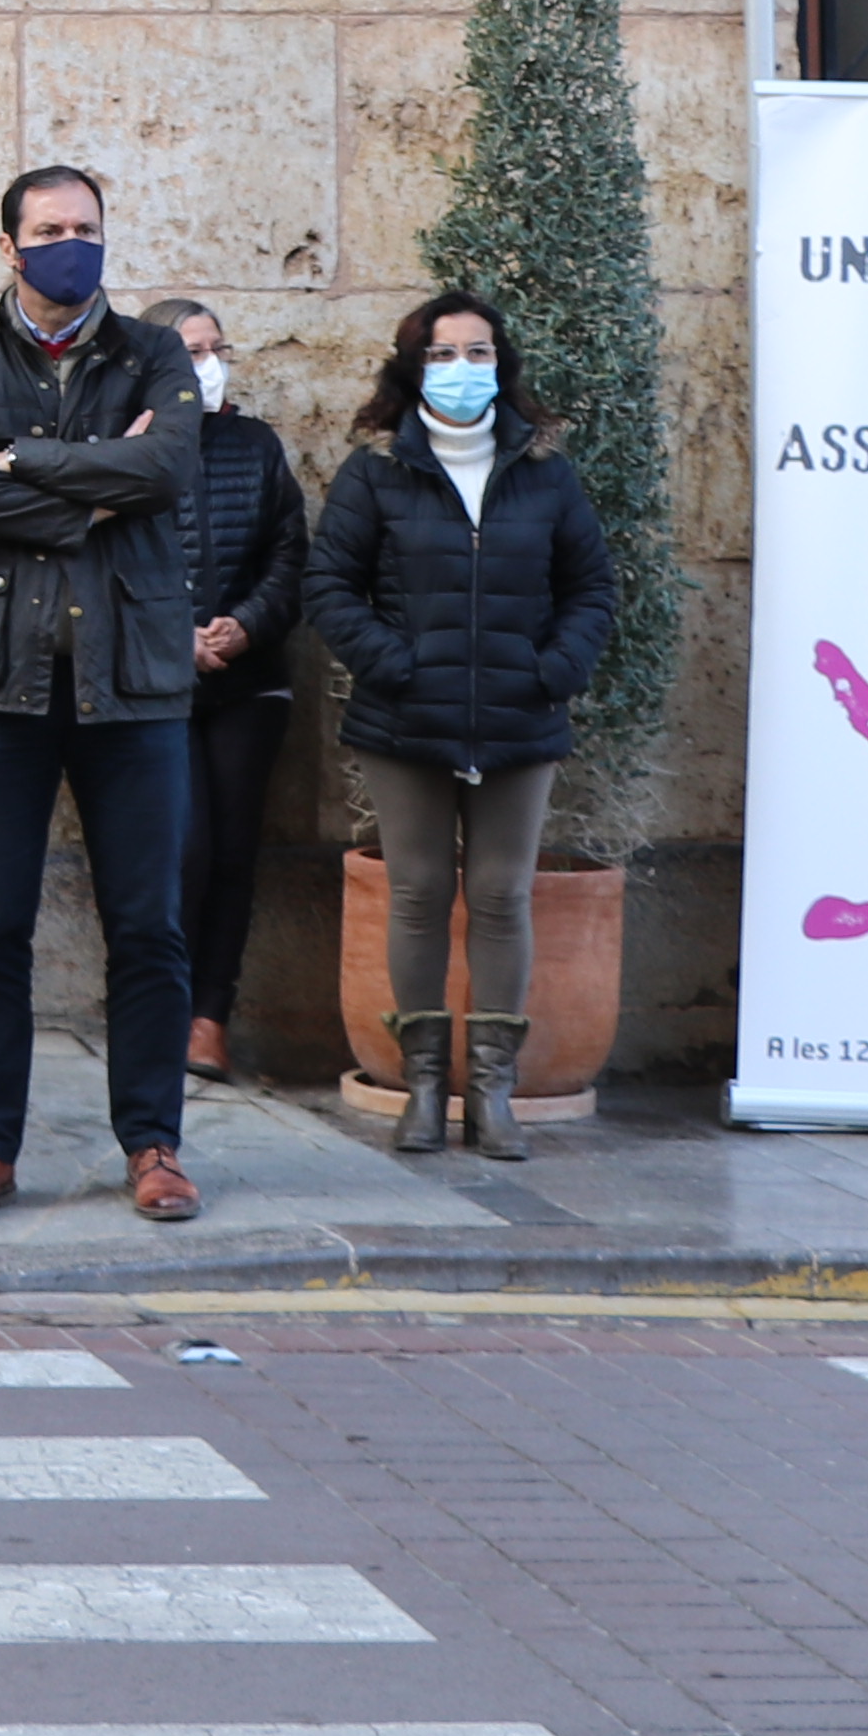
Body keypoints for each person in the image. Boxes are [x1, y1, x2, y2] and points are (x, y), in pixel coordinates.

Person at [0, 165, 204, 1231]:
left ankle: (154, 1145)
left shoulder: (155, 352)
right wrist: (93, 496)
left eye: (86, 226)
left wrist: (22, 460)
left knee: (149, 926)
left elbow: (166, 470)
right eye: (49, 228)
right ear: (9, 246)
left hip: (134, 679)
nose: (70, 243)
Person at [310, 289, 617, 1163]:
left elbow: (591, 587)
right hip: (404, 719)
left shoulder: (545, 473)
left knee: (501, 895)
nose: (461, 370)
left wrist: (553, 670)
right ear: (413, 369)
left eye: (478, 353)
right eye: (442, 355)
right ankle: (421, 1089)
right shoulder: (376, 472)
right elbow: (330, 586)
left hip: (520, 718)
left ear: (501, 364)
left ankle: (491, 1093)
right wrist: (397, 665)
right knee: (415, 894)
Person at [158, 297, 308, 1086]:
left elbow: (289, 555)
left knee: (233, 852)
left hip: (249, 682)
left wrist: (245, 626)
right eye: (191, 351)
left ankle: (210, 1015)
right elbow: (102, 559)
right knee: (181, 848)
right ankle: (161, 1004)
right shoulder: (127, 448)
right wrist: (173, 636)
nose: (209, 365)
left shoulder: (256, 446)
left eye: (216, 349)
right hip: (158, 684)